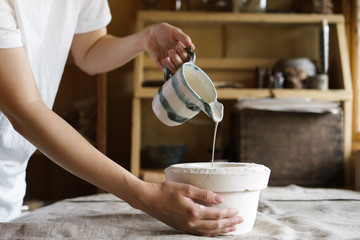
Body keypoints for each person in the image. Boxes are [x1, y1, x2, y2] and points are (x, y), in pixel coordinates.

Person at [0, 0, 243, 236]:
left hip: (11, 180)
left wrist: (145, 38)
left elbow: (89, 50)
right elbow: (24, 110)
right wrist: (145, 196)